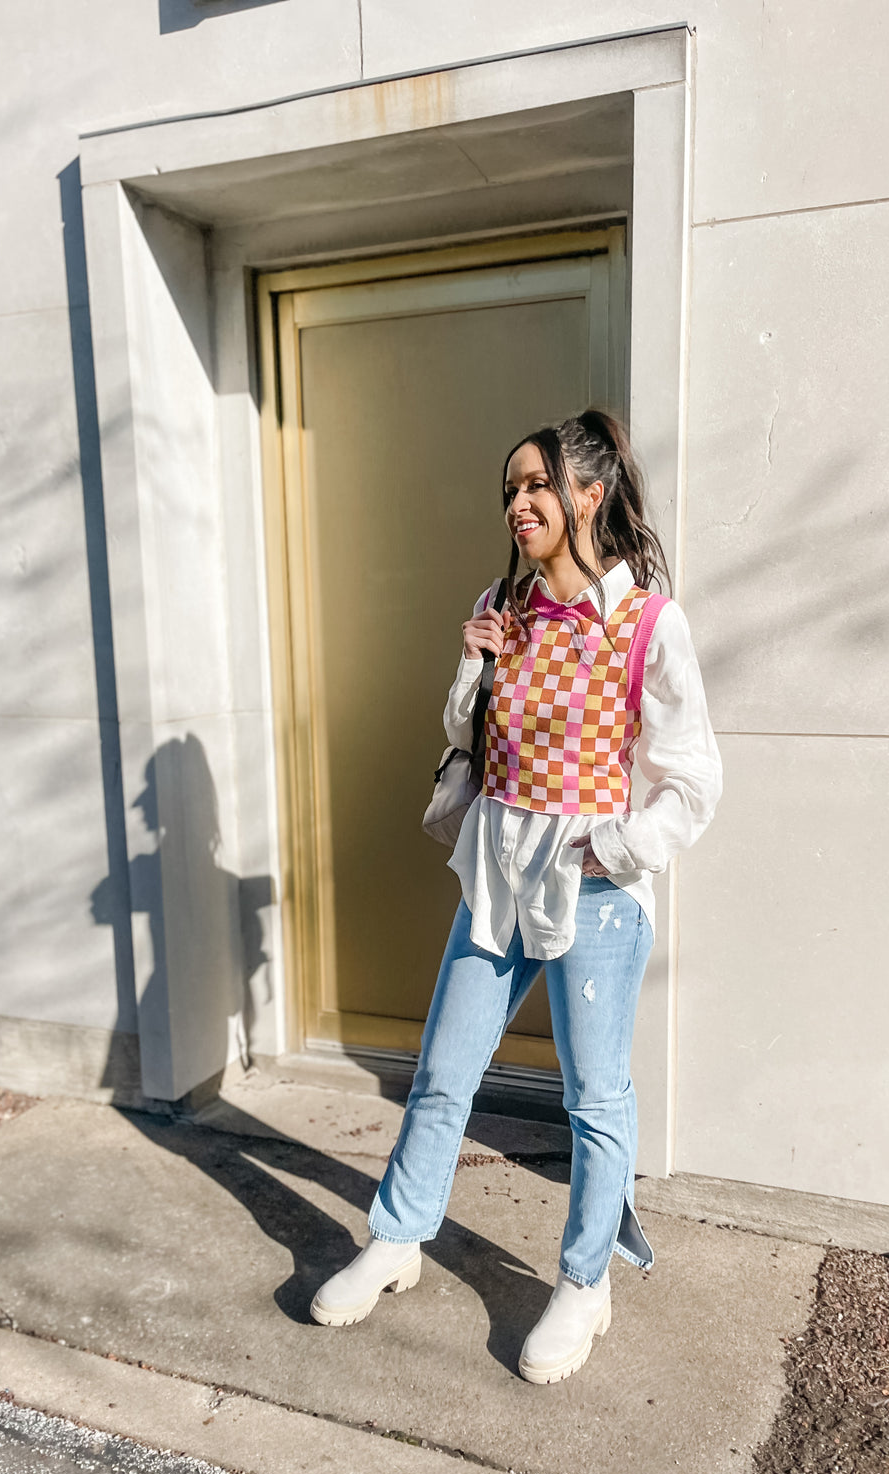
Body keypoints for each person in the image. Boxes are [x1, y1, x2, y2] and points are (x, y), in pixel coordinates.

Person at [310, 410, 722, 1384]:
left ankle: (586, 1283)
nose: (518, 502)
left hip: (596, 896)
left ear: (590, 492)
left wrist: (610, 845)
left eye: (534, 484)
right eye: (509, 490)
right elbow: (469, 732)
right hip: (496, 878)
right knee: (445, 1070)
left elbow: (693, 777)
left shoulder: (647, 624)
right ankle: (399, 1238)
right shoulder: (503, 601)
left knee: (594, 1099)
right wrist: (474, 657)